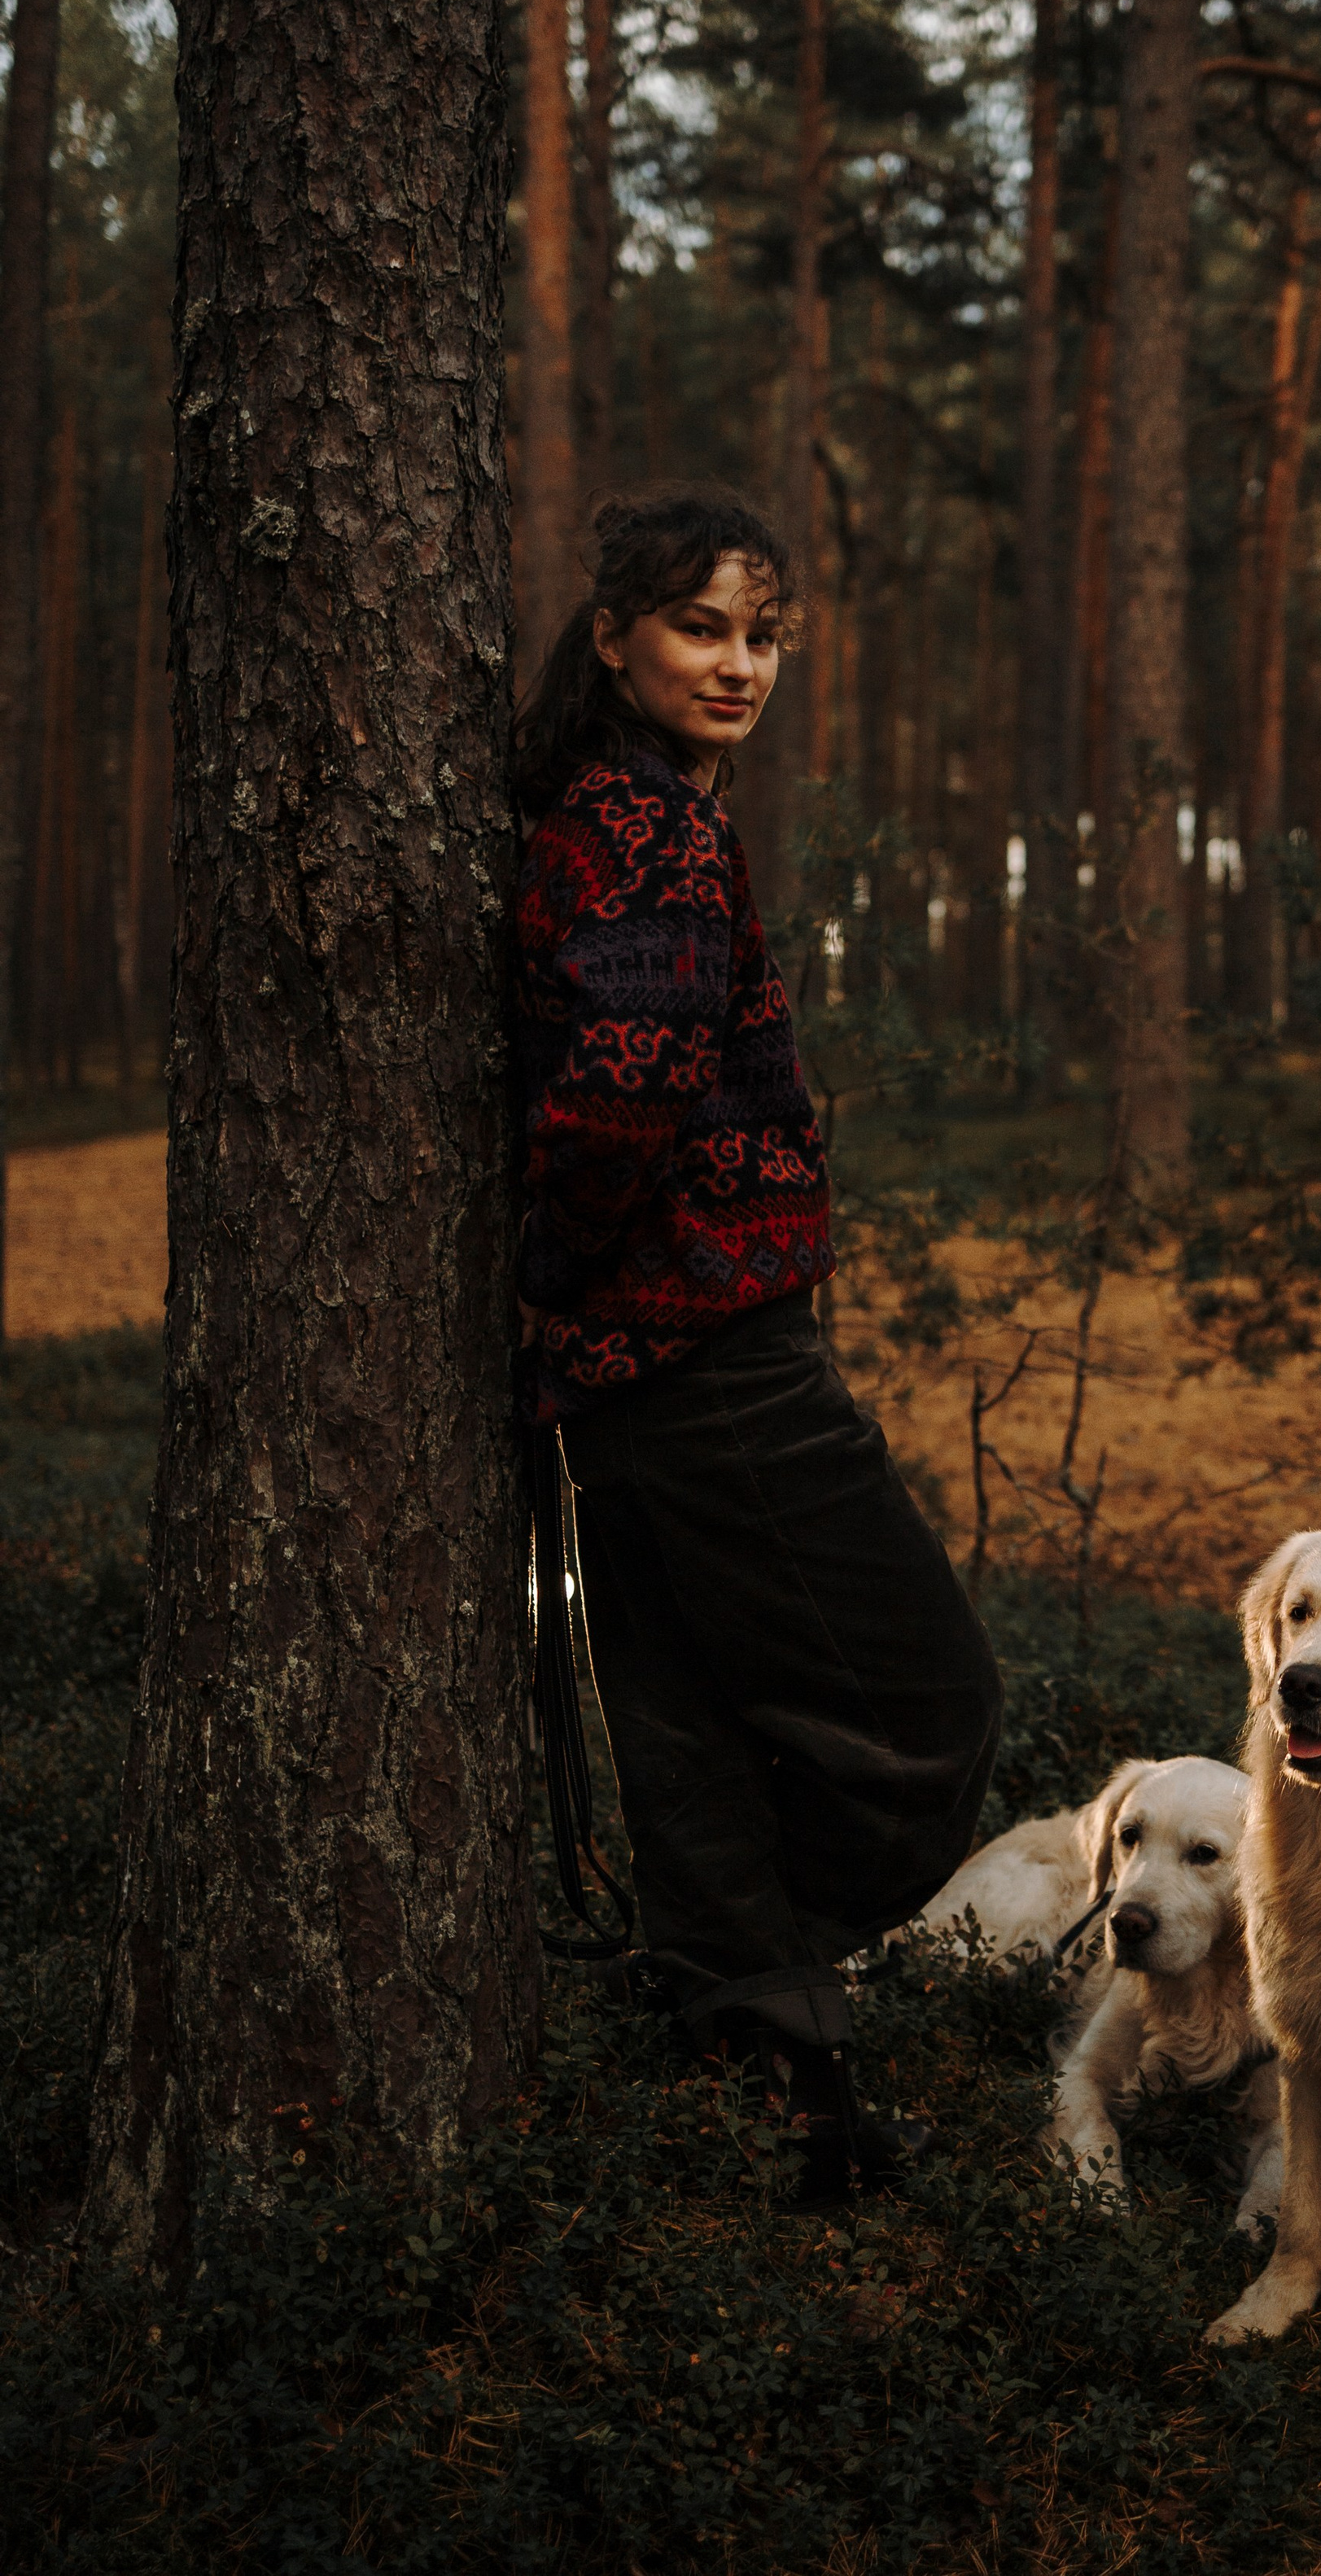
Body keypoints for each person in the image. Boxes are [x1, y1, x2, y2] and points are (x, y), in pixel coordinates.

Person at [513, 486, 1002, 2192]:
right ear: (613, 638)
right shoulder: (642, 827)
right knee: (934, 1701)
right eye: (700, 627)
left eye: (761, 634)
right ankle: (788, 1998)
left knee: (688, 1724)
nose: (736, 665)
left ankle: (773, 2095)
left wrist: (562, 1303)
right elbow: (625, 1082)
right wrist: (562, 1270)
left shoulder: (616, 808)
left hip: (636, 1361)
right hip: (704, 1353)